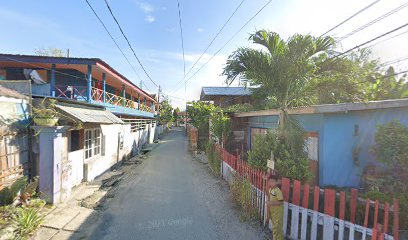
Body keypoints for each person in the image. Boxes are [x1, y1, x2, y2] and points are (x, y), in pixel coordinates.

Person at [267, 175, 284, 240]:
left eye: (273, 181)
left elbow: (281, 202)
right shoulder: (270, 190)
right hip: (273, 213)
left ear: (276, 182)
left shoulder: (278, 191)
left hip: (278, 213)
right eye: (270, 181)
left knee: (277, 229)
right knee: (276, 228)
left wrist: (271, 203)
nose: (271, 183)